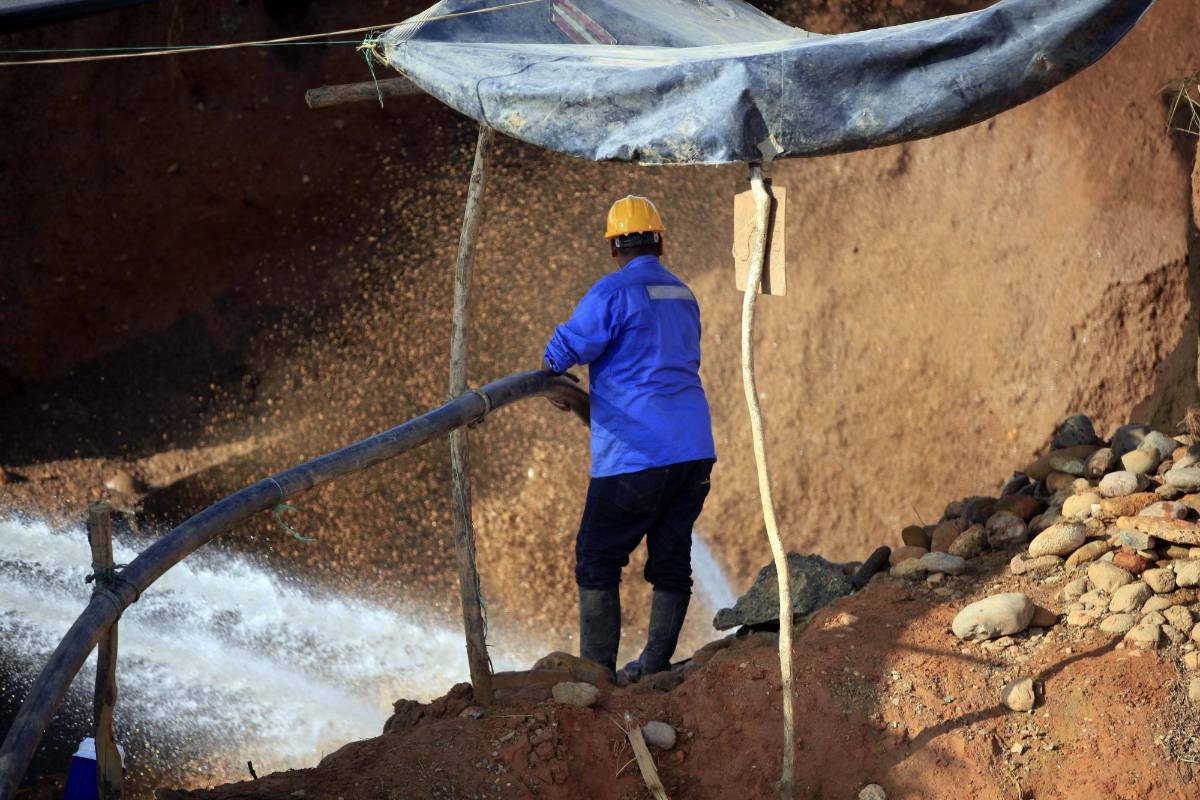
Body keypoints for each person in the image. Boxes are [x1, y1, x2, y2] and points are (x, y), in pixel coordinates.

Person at [543, 195, 716, 682]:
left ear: (613, 247)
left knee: (597, 558)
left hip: (637, 454)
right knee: (671, 557)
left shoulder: (612, 292)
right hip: (693, 452)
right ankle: (655, 665)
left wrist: (551, 374)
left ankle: (598, 674)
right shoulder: (683, 294)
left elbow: (563, 352)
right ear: (659, 241)